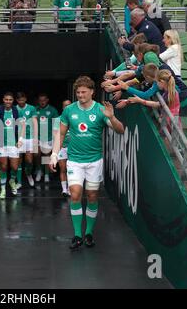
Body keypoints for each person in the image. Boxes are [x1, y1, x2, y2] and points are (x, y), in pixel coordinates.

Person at [50, 76, 125, 249]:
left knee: (92, 196)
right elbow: (60, 134)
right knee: (75, 194)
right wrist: (54, 154)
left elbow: (120, 130)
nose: (81, 95)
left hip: (94, 161)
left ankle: (89, 233)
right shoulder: (69, 110)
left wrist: (112, 117)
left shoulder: (100, 110)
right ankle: (77, 235)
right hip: (75, 161)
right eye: (78, 92)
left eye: (84, 92)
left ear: (92, 91)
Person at [0, 92, 25, 199]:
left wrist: (20, 139)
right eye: (6, 99)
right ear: (3, 100)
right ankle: (3, 189)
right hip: (1, 143)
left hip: (13, 143)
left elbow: (22, 126)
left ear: (13, 100)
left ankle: (12, 180)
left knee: (14, 166)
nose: (8, 101)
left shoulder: (17, 111)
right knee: (3, 167)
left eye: (10, 100)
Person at [15, 91, 38, 188]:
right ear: (17, 100)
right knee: (19, 160)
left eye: (23, 99)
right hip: (18, 137)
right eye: (19, 99)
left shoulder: (31, 108)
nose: (21, 101)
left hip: (29, 137)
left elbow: (35, 122)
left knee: (29, 160)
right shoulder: (14, 109)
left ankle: (28, 174)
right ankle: (19, 182)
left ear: (25, 99)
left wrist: (36, 137)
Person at [35, 93, 59, 183]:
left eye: (44, 100)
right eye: (40, 100)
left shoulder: (52, 110)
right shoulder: (35, 109)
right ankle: (39, 170)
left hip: (48, 137)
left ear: (47, 100)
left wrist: (55, 136)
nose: (42, 102)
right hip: (37, 136)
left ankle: (46, 174)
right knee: (37, 155)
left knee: (46, 156)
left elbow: (56, 124)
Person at [53, 99, 72, 197]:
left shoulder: (75, 118)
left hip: (73, 148)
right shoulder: (57, 119)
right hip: (62, 148)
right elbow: (55, 134)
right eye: (65, 105)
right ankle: (64, 190)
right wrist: (58, 147)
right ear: (62, 107)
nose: (67, 107)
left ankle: (70, 189)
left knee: (71, 170)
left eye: (69, 105)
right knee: (63, 169)